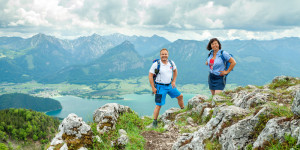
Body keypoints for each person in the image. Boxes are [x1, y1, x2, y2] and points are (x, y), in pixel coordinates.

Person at [149, 48, 184, 128]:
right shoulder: (156, 64)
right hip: (160, 87)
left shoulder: (171, 63)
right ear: (160, 55)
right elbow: (150, 75)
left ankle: (183, 110)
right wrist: (153, 87)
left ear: (168, 55)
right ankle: (154, 122)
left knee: (180, 96)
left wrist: (174, 81)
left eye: (165, 54)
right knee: (158, 105)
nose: (164, 55)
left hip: (170, 85)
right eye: (162, 54)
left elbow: (175, 71)